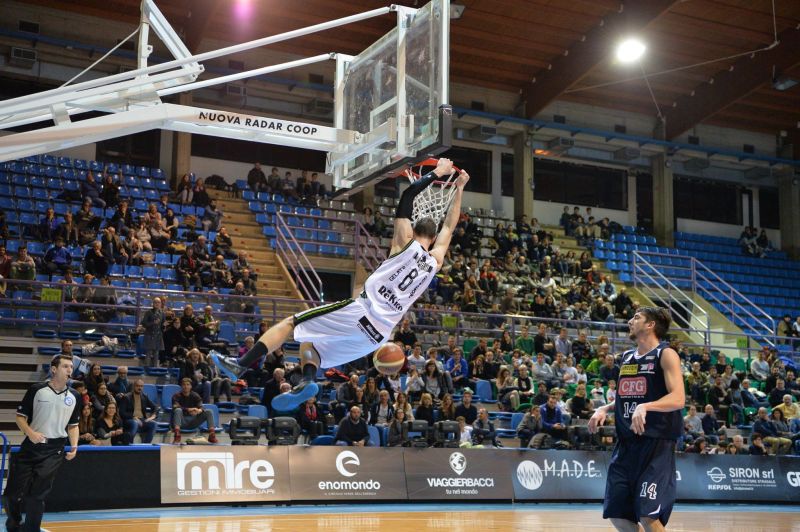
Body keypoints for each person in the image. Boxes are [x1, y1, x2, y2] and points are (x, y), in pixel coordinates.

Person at [210, 159, 468, 411]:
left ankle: (240, 364)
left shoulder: (404, 243)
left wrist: (438, 172)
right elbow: (449, 225)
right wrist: (460, 189)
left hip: (361, 312)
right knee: (310, 345)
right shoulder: (435, 261)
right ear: (434, 238)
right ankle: (309, 381)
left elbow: (408, 197)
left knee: (291, 323)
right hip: (377, 336)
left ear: (414, 230)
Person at [589, 307, 684, 532]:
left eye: (636, 317)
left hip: (655, 445)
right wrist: (605, 407)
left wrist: (646, 407)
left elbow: (678, 398)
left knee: (647, 516)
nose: (630, 321)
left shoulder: (666, 354)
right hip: (626, 446)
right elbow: (626, 398)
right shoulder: (627, 357)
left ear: (650, 325)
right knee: (618, 516)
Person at [3, 355, 80, 532]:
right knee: (11, 495)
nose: (70, 370)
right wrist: (30, 433)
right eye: (65, 366)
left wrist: (74, 446)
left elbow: (73, 426)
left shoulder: (74, 396)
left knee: (36, 496)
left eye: (71, 367)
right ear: (54, 369)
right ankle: (14, 525)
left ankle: (32, 529)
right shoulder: (36, 390)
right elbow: (20, 418)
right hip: (30, 447)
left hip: (54, 450)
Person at [171, 378, 217, 444]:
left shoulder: (195, 395)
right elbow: (175, 407)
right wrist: (189, 409)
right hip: (181, 421)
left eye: (188, 385)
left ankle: (212, 435)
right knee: (178, 410)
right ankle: (177, 435)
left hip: (193, 421)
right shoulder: (176, 396)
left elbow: (201, 406)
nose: (186, 386)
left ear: (191, 386)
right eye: (184, 385)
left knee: (209, 411)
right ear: (181, 386)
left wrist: (199, 410)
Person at [119, 379, 158, 444]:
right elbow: (122, 412)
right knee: (135, 423)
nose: (139, 388)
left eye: (141, 386)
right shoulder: (126, 397)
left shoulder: (144, 396)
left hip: (142, 419)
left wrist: (152, 417)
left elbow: (155, 407)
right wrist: (134, 417)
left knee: (154, 424)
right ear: (134, 386)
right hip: (129, 420)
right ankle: (129, 444)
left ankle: (145, 445)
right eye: (137, 386)